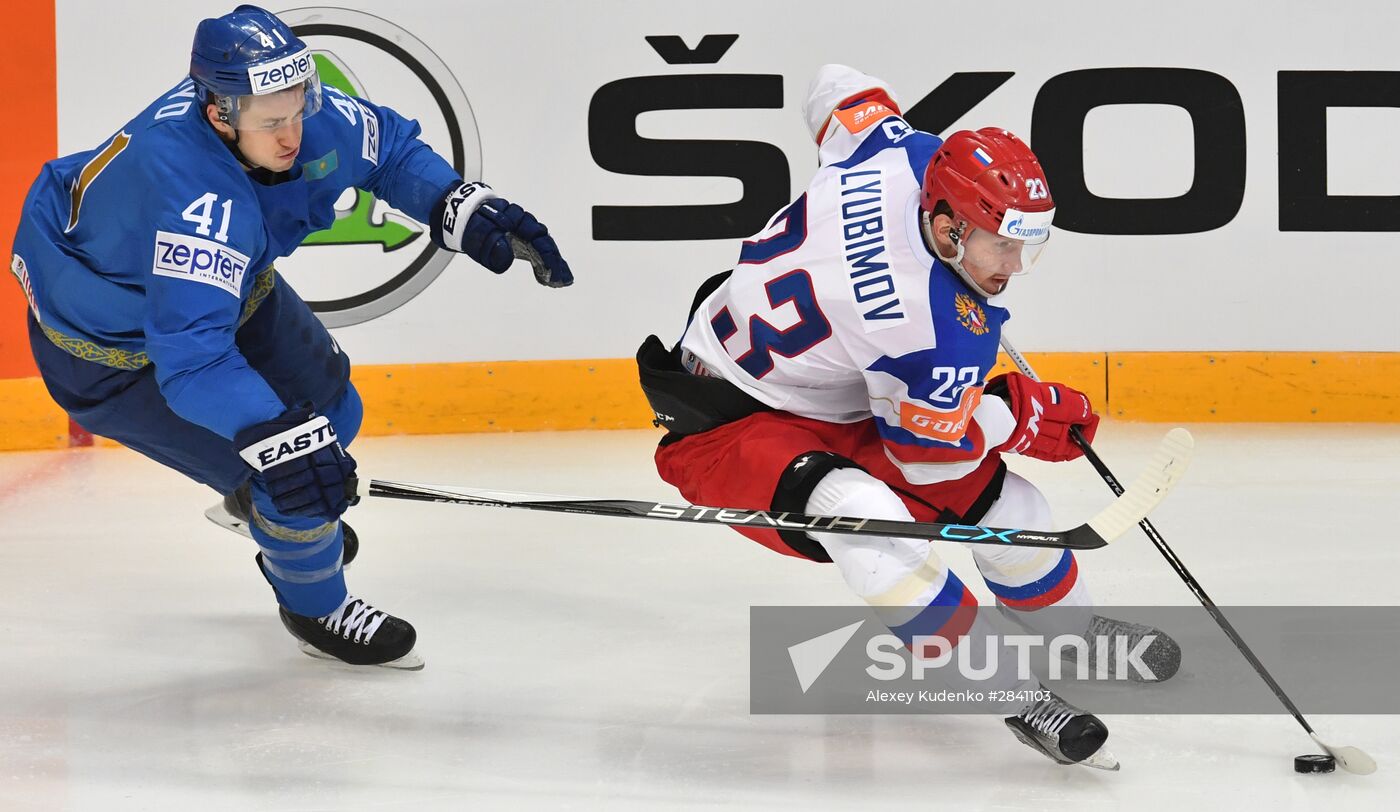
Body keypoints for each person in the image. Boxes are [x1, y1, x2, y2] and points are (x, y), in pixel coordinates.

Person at [638, 64, 1177, 768]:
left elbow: (833, 85)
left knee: (1014, 506)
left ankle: (1066, 633)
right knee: (863, 519)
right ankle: (1015, 697)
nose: (1014, 265)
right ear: (948, 226)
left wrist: (882, 120)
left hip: (825, 390)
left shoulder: (895, 150)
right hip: (725, 425)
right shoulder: (931, 327)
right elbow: (928, 458)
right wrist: (1014, 413)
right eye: (1002, 244)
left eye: (1028, 244)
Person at [7, 5, 572, 670]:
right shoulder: (195, 202)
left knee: (337, 415)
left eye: (297, 110)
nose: (292, 137)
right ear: (218, 114)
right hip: (110, 355)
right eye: (270, 123)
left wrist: (459, 205)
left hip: (226, 300)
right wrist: (277, 441)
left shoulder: (285, 107)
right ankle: (316, 608)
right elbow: (192, 361)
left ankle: (266, 510)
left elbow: (387, 151)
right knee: (292, 473)